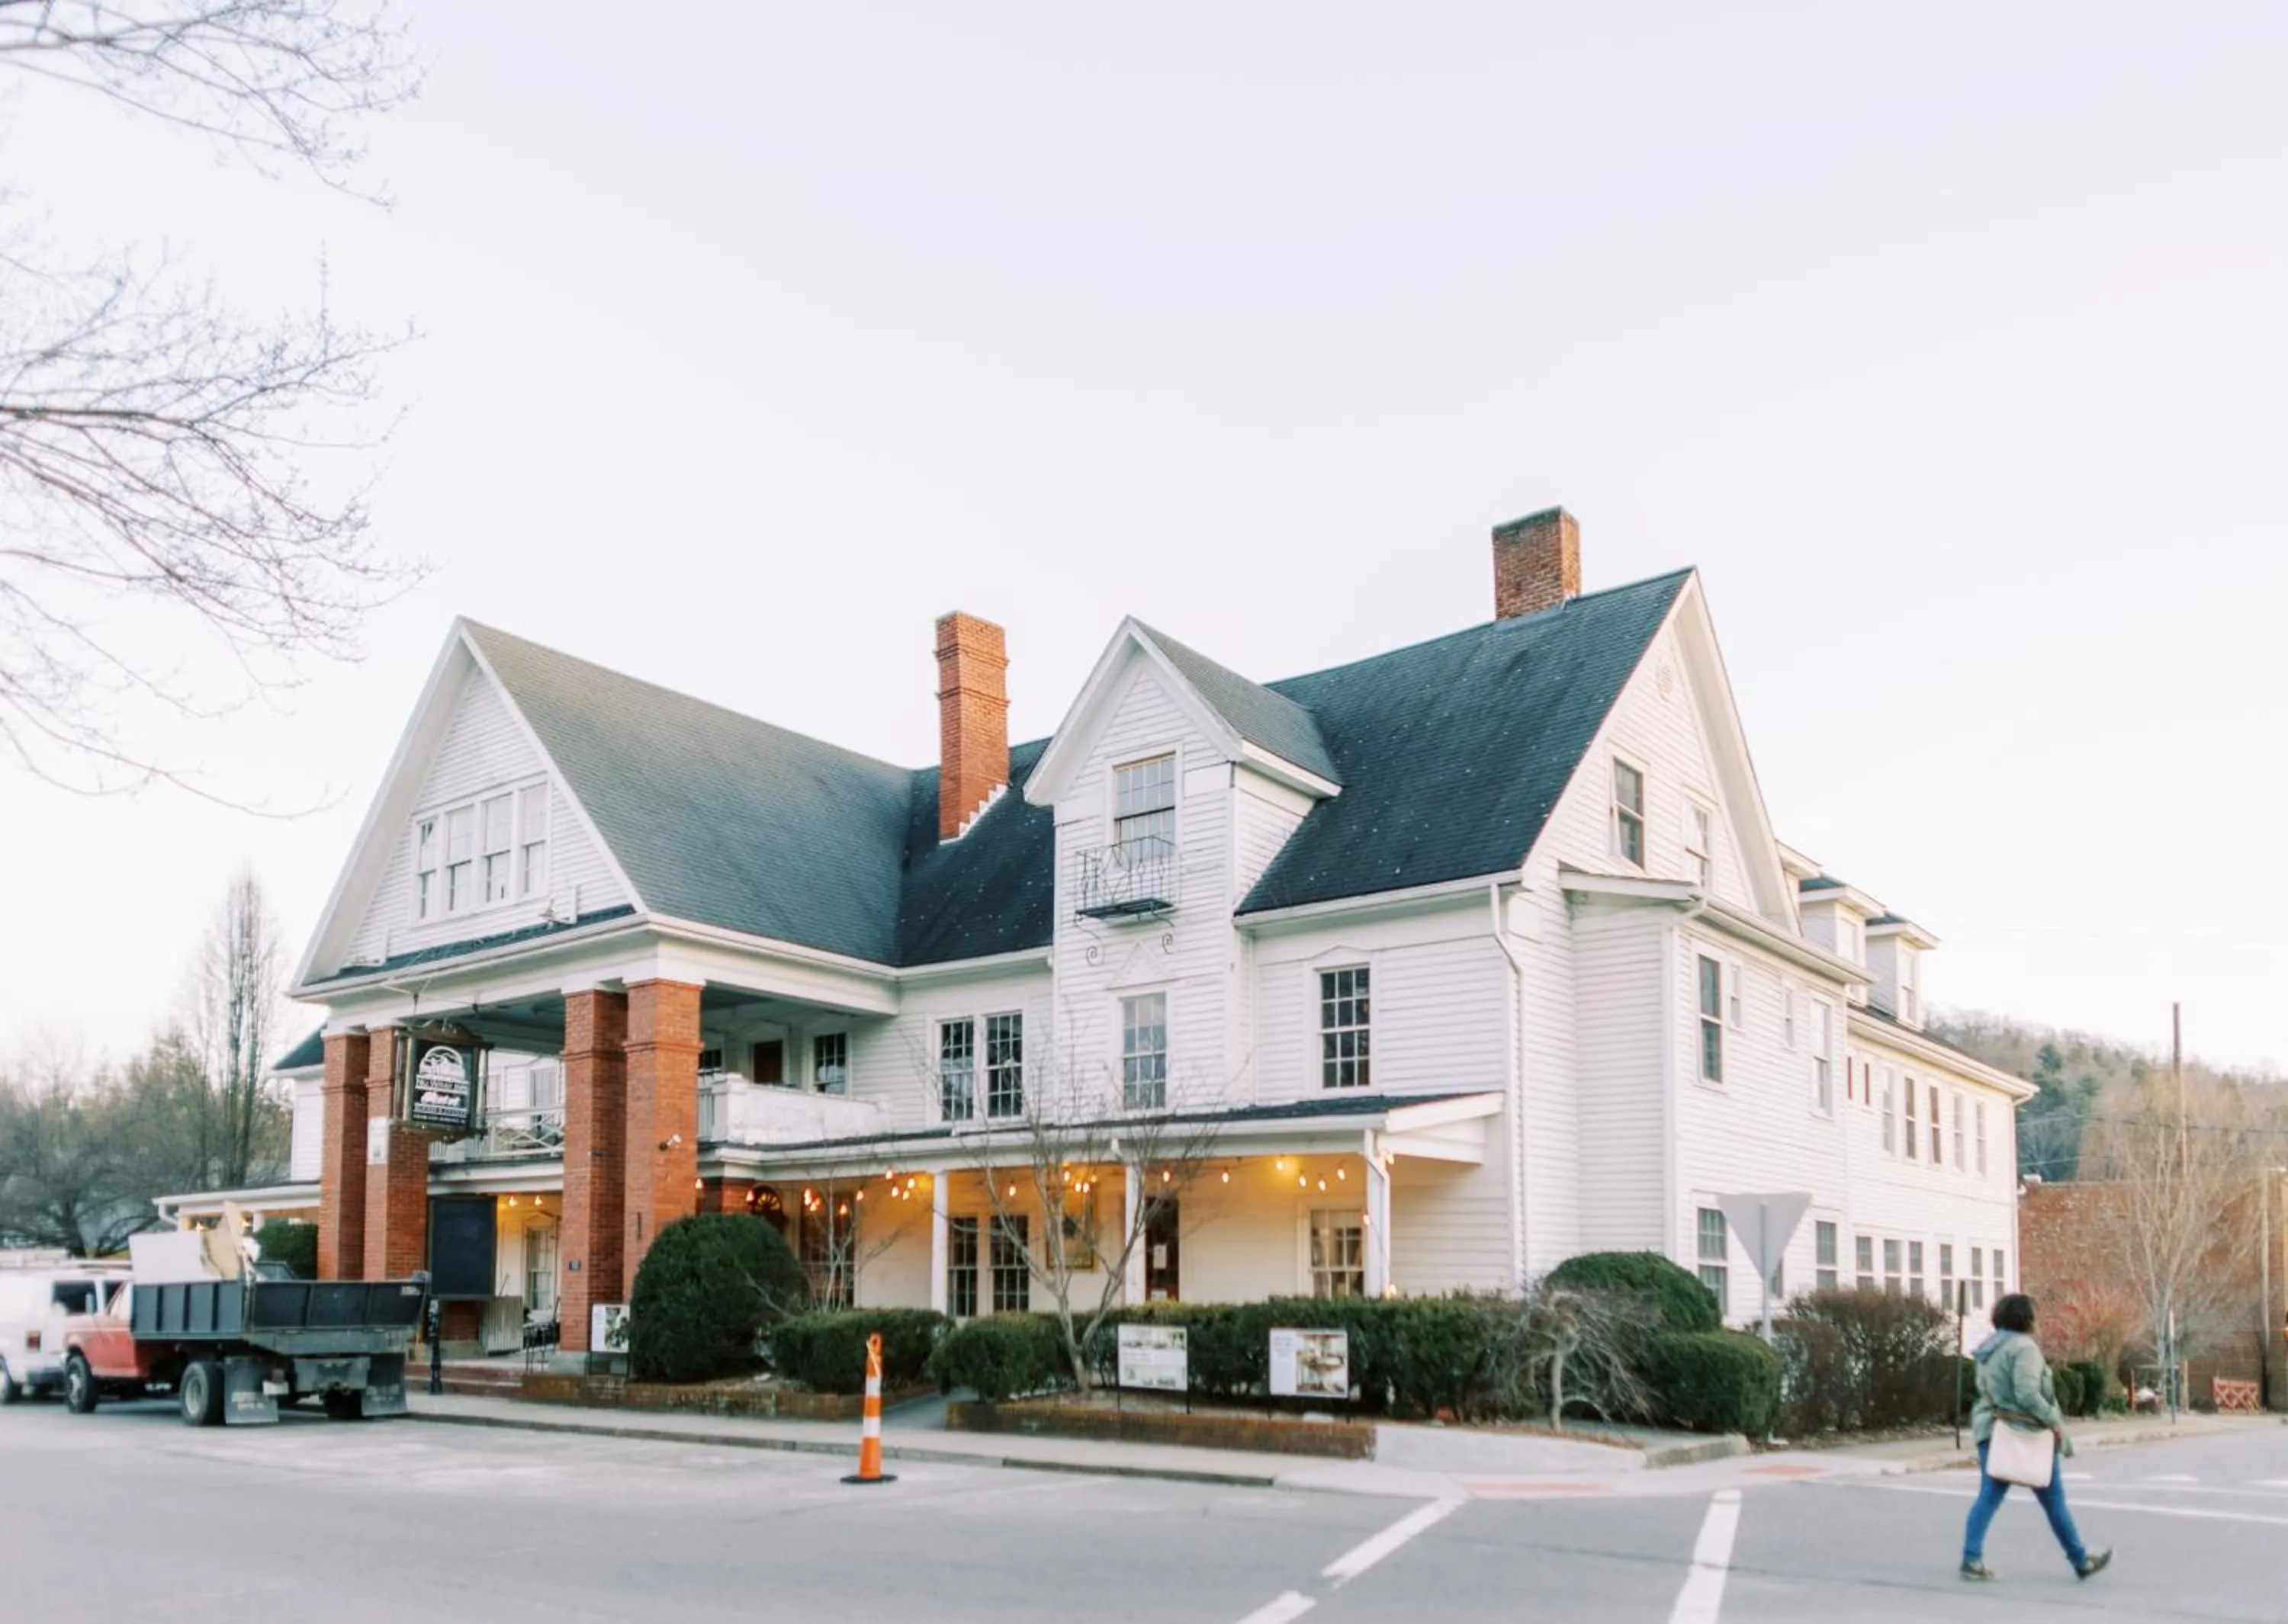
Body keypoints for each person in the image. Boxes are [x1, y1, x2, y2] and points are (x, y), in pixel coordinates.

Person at [1962, 1292, 2112, 1582]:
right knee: (2053, 1500)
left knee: (1989, 1497)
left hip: (1990, 1429)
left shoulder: (1989, 1347)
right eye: (2035, 1314)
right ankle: (2081, 1561)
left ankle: (1971, 1558)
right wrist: (2054, 1421)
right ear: (2026, 1318)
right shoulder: (2024, 1348)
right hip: (2025, 1433)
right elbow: (2027, 1393)